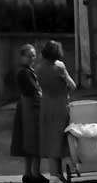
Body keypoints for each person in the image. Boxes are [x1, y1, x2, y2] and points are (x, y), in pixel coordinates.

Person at [36, 40, 76, 182]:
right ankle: (60, 175)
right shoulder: (60, 66)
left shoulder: (38, 68)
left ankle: (55, 175)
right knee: (60, 139)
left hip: (46, 105)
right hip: (60, 105)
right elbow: (72, 86)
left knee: (50, 139)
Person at [10, 43, 47, 183]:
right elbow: (35, 92)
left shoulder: (26, 70)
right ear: (22, 56)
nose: (32, 58)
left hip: (27, 108)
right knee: (35, 142)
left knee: (28, 143)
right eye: (29, 56)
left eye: (34, 56)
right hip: (31, 109)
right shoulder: (24, 72)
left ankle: (28, 174)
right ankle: (35, 174)